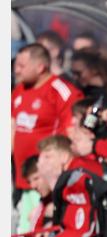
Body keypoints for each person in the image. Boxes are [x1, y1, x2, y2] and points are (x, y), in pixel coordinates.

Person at [12, 44, 83, 193]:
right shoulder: (19, 90)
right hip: (21, 177)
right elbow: (12, 126)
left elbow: (72, 132)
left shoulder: (61, 91)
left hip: (47, 181)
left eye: (21, 66)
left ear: (40, 67)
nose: (16, 70)